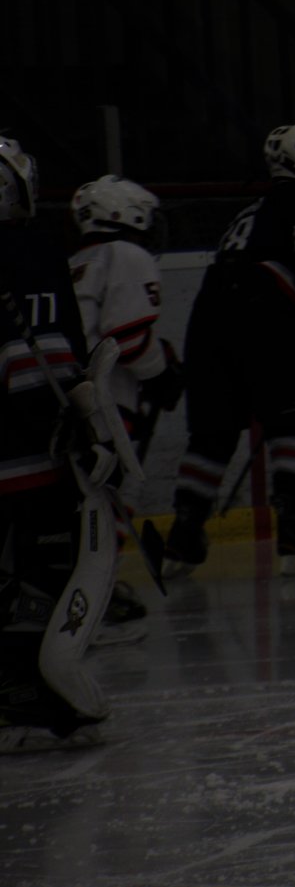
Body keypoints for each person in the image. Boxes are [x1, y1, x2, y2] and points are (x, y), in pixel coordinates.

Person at [162, 123, 295, 579]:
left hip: (209, 313)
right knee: (290, 419)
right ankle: (292, 526)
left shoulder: (254, 209)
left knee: (212, 431)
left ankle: (185, 533)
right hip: (262, 310)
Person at [0, 136, 121, 749]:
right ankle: (23, 695)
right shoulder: (29, 250)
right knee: (46, 568)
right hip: (24, 450)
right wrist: (76, 425)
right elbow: (43, 358)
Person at [69, 174, 184, 641]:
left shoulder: (77, 260)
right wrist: (163, 372)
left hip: (72, 397)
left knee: (82, 500)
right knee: (113, 495)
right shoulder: (127, 254)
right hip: (110, 399)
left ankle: (77, 589)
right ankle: (96, 592)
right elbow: (129, 338)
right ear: (125, 214)